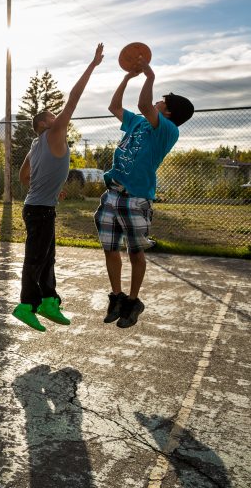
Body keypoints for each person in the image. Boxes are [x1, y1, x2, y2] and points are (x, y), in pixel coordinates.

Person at [12, 44, 105, 331]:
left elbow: (23, 175)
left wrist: (49, 189)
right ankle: (26, 304)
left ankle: (49, 300)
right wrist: (92, 65)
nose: (59, 117)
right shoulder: (52, 133)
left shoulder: (35, 144)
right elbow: (74, 98)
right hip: (39, 210)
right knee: (36, 258)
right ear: (44, 123)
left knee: (48, 257)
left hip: (39, 206)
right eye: (53, 115)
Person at [95, 61, 194, 328]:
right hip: (113, 193)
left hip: (136, 197)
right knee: (110, 248)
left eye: (162, 101)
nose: (157, 102)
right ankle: (116, 297)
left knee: (135, 252)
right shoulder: (138, 123)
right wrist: (127, 79)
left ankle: (133, 301)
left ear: (169, 111)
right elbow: (114, 107)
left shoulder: (167, 130)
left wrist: (149, 75)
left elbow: (143, 105)